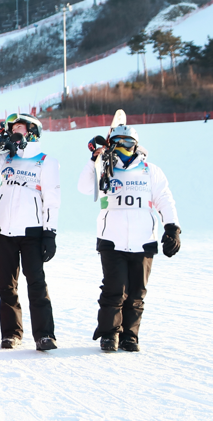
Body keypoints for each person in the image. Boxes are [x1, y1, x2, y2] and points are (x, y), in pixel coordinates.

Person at [78, 125, 180, 352]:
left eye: (128, 143)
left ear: (135, 145)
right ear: (111, 144)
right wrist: (93, 160)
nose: (123, 147)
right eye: (118, 142)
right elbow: (84, 187)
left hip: (143, 240)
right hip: (111, 238)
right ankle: (109, 334)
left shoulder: (150, 170)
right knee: (114, 289)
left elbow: (164, 199)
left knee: (136, 293)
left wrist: (172, 228)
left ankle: (129, 336)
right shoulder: (105, 169)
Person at [0, 114, 60, 351]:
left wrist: (50, 233)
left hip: (32, 232)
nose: (14, 132)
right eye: (11, 129)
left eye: (19, 128)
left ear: (32, 131)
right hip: (3, 231)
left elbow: (52, 200)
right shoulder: (6, 158)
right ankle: (11, 334)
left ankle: (45, 335)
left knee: (36, 284)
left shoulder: (46, 161)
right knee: (7, 286)